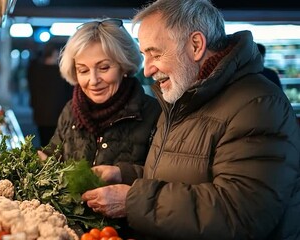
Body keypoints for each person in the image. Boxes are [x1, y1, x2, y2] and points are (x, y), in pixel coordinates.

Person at [81, 0, 300, 239]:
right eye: (145, 55)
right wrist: (123, 175)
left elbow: (240, 212)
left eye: (155, 54)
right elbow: (180, 174)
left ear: (196, 45)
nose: (147, 70)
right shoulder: (183, 97)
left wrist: (132, 201)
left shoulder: (258, 105)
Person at [39, 17, 159, 199]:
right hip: (71, 223)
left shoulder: (153, 114)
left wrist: (122, 173)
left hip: (127, 225)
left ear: (124, 66)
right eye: (83, 70)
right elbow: (53, 156)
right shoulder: (71, 109)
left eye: (103, 68)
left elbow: (165, 180)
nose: (93, 81)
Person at [27, 43, 73, 146]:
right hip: (57, 114)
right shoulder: (61, 73)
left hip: (41, 114)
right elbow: (68, 94)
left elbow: (32, 90)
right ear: (55, 54)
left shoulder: (35, 69)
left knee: (44, 141)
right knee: (56, 144)